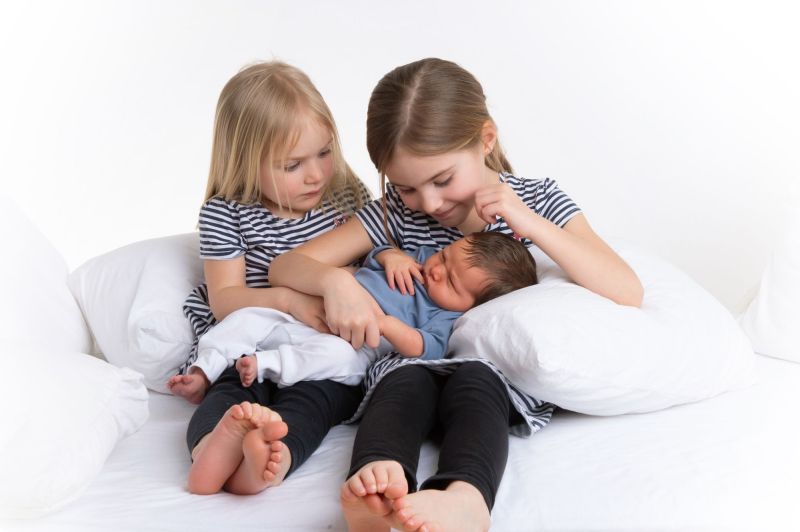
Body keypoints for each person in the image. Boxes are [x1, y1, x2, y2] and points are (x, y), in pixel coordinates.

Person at [270, 57, 643, 532]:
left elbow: (626, 290)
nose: (429, 203)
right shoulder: (395, 214)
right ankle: (376, 490)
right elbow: (285, 266)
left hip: (489, 378)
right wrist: (335, 282)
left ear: (486, 140)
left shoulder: (537, 200)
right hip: (407, 366)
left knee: (476, 383)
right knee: (401, 385)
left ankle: (465, 500)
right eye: (407, 187)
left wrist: (527, 221)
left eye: (443, 180)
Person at [165, 60, 372, 497]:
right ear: (246, 161)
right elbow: (225, 299)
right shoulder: (227, 213)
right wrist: (289, 300)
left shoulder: (347, 196)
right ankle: (209, 451)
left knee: (317, 403)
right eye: (292, 165)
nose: (316, 174)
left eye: (324, 152)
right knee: (229, 395)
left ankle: (270, 463)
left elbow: (372, 266)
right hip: (254, 345)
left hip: (323, 350)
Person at [186, 231, 537, 395]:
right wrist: (390, 256)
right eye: (444, 257)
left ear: (472, 306)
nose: (436, 271)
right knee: (247, 318)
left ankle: (268, 364)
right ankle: (205, 368)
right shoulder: (419, 260)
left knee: (340, 361)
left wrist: (388, 325)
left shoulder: (446, 317)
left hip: (356, 342)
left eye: (452, 283)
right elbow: (375, 252)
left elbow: (425, 348)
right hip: (311, 313)